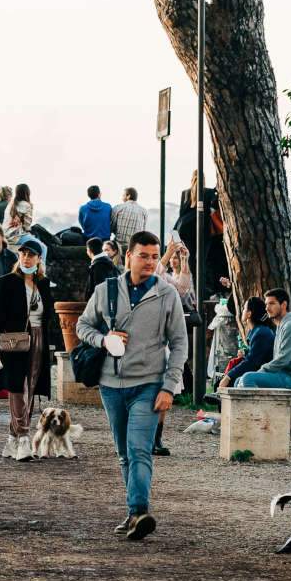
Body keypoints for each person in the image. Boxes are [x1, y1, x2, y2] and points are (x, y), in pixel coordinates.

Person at [73, 229, 188, 542]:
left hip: (149, 384)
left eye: (154, 256)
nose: (150, 262)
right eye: (144, 256)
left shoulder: (166, 295)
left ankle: (139, 510)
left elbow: (179, 343)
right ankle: (133, 513)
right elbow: (82, 325)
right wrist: (103, 340)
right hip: (111, 384)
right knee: (123, 452)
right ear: (128, 257)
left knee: (139, 449)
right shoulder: (106, 290)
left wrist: (169, 386)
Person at [0, 237, 62, 459]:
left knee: (32, 386)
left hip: (38, 339)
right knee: (18, 387)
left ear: (39, 258)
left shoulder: (43, 283)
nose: (26, 257)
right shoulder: (7, 281)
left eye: (31, 254)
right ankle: (24, 438)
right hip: (14, 340)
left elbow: (48, 317)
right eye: (23, 253)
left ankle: (12, 439)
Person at [231, 288, 291, 394]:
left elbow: (282, 360)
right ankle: (245, 411)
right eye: (266, 304)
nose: (267, 308)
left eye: (272, 304)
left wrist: (261, 371)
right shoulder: (281, 326)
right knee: (238, 381)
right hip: (282, 375)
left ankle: (260, 411)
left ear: (283, 305)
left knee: (248, 378)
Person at [217, 297, 274, 391]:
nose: (242, 311)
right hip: (260, 371)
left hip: (267, 374)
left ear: (249, 314)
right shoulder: (257, 331)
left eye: (244, 308)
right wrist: (246, 352)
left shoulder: (261, 333)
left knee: (234, 380)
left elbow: (251, 362)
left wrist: (228, 376)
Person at [110, 187, 147, 256]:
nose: (122, 197)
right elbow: (143, 231)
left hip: (119, 246)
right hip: (135, 247)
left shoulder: (118, 208)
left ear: (128, 196)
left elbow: (111, 227)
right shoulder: (144, 211)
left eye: (123, 195)